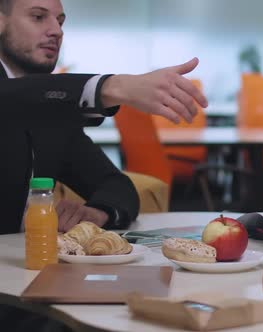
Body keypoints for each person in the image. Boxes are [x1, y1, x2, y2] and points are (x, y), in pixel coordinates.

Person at [0, 0, 209, 234]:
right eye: (38, 17)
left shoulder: (53, 115)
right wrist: (111, 87)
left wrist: (98, 212)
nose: (56, 31)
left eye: (60, 22)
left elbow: (116, 185)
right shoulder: (28, 100)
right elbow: (12, 100)